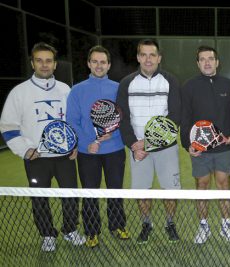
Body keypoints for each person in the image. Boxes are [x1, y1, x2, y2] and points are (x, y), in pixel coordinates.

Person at [0, 42, 85, 252]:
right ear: (32, 63)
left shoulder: (66, 90)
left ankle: (69, 230)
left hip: (64, 156)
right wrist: (27, 150)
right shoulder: (19, 93)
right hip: (36, 158)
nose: (44, 65)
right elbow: (8, 126)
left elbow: (74, 121)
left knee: (71, 195)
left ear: (55, 64)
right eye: (39, 60)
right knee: (39, 198)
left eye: (48, 61)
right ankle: (47, 234)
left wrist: (74, 143)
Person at [117, 39, 182, 244]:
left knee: (170, 190)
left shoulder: (170, 80)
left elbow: (175, 115)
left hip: (166, 147)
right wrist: (133, 144)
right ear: (138, 57)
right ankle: (147, 223)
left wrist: (149, 143)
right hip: (137, 149)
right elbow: (122, 116)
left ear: (159, 58)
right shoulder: (127, 82)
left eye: (152, 55)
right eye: (143, 55)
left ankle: (170, 223)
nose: (148, 59)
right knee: (141, 189)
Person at [66, 45, 129, 248]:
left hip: (115, 150)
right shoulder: (77, 90)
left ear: (109, 65)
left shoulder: (118, 88)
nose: (99, 65)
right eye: (95, 61)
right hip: (88, 152)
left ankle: (117, 225)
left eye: (103, 62)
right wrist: (87, 143)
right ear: (88, 63)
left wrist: (114, 133)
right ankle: (92, 231)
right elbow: (73, 121)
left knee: (115, 190)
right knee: (90, 192)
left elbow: (124, 118)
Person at [180, 45, 230, 244]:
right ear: (198, 63)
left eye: (210, 58)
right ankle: (204, 226)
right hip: (200, 149)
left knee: (224, 184)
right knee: (202, 185)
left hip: (224, 149)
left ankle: (226, 225)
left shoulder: (229, 85)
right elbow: (185, 118)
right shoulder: (189, 86)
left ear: (217, 62)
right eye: (203, 59)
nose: (207, 62)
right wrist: (187, 143)